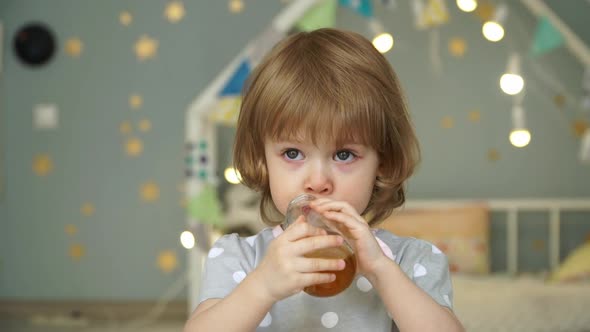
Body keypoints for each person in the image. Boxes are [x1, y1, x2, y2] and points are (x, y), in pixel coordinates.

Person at [184, 28, 464, 332]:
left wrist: (382, 271)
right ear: (262, 159)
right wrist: (262, 286)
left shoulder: (411, 260)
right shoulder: (239, 257)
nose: (317, 182)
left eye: (344, 155)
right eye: (292, 152)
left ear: (382, 162)